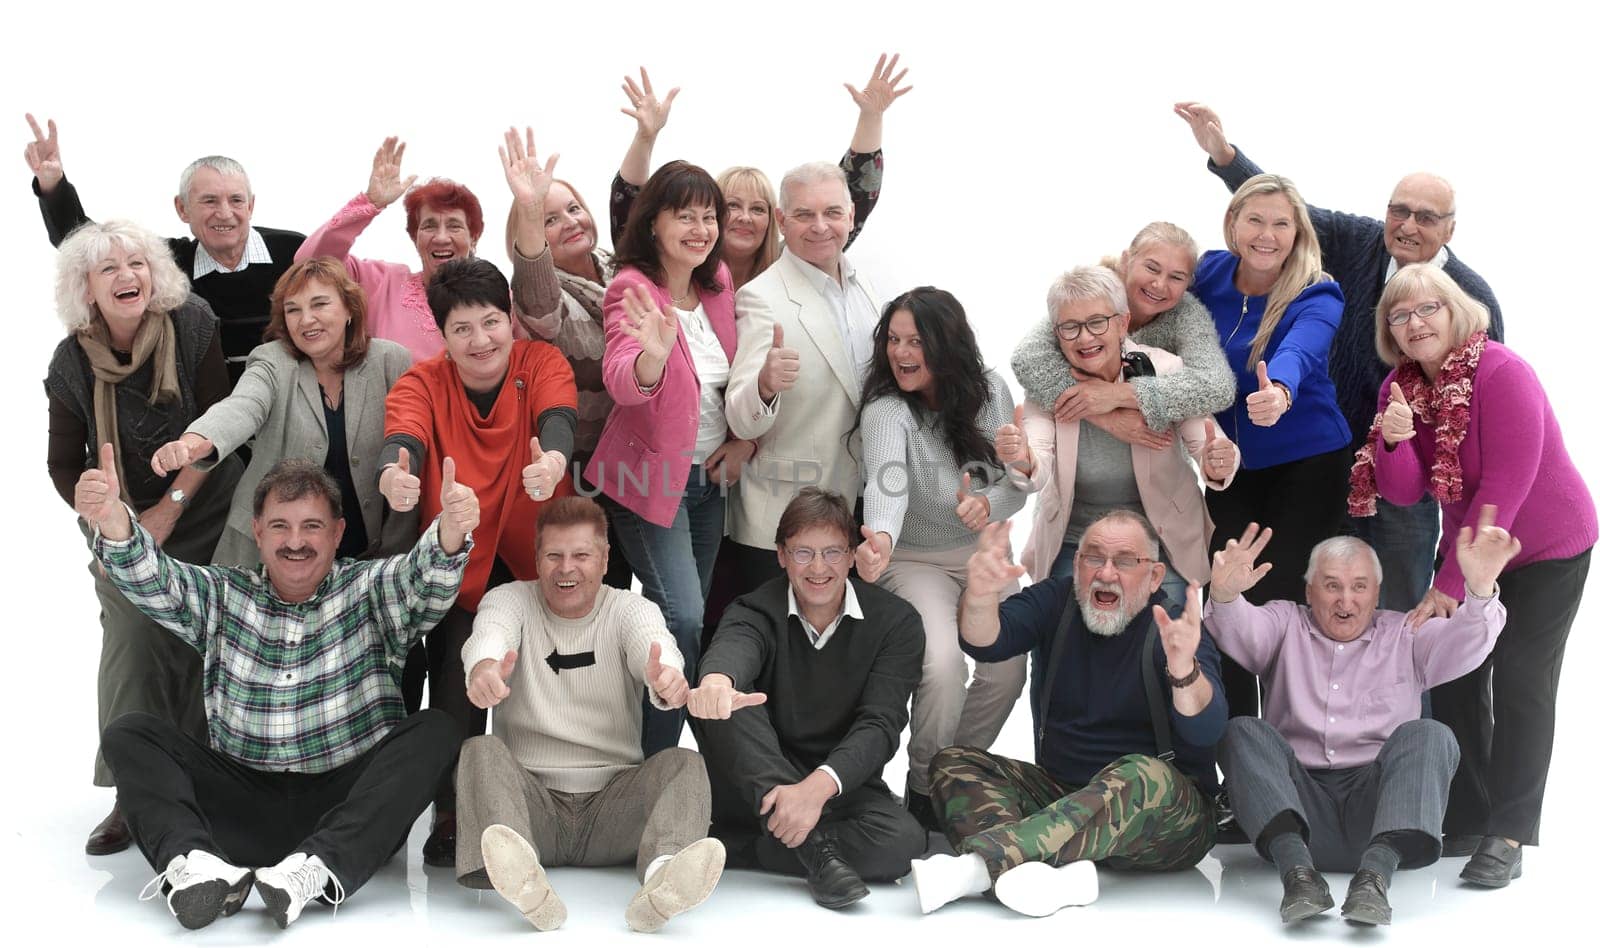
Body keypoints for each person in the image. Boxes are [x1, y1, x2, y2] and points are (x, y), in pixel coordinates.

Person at [78, 458, 474, 930]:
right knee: (129, 733)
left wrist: (450, 529)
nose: (295, 541)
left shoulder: (369, 588)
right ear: (258, 531)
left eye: (312, 526)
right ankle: (198, 867)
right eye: (280, 526)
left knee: (436, 728)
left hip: (346, 805)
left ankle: (317, 868)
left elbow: (424, 579)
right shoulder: (224, 593)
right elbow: (156, 579)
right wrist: (113, 520)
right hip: (242, 805)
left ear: (336, 532)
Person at [1176, 102, 1504, 614]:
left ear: (1451, 229)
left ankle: (1410, 700)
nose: (1408, 225)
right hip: (1329, 462)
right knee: (1325, 609)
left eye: (1426, 216)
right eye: (1400, 210)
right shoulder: (1362, 243)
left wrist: (1464, 526)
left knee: (1403, 616)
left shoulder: (1470, 298)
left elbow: (1480, 410)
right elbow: (1285, 213)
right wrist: (1225, 156)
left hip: (1405, 484)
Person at [1350, 263, 1596, 886]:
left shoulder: (1502, 372)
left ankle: (1510, 832)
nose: (1415, 323)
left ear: (1455, 310)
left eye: (1428, 308)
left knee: (1521, 679)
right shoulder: (1399, 392)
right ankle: (1469, 813)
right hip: (1467, 547)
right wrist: (1395, 442)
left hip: (1546, 546)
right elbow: (1405, 493)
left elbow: (1508, 485)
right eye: (1400, 316)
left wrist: (1454, 584)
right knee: (1456, 675)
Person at [913, 510, 1225, 918]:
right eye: (1093, 558)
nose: (1106, 573)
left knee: (1143, 774)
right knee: (954, 762)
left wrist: (1184, 672)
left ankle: (977, 868)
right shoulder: (1055, 601)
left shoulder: (1174, 629)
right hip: (1061, 796)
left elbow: (1207, 732)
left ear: (1154, 577)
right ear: (1077, 565)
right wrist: (981, 594)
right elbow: (985, 643)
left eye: (1125, 561)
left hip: (1165, 818)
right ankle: (1047, 876)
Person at [45, 220, 244, 856]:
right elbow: (63, 462)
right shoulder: (70, 360)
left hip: (206, 497)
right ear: (87, 289)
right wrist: (101, 508)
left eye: (137, 263)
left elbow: (220, 428)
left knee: (200, 639)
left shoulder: (193, 323)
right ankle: (134, 792)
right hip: (121, 515)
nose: (128, 276)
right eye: (109, 269)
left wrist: (169, 509)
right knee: (132, 640)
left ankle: (202, 781)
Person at [1207, 518, 1516, 924]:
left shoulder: (1405, 633)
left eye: (1359, 587)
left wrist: (1477, 593)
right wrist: (1226, 595)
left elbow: (1467, 644)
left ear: (1376, 594)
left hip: (1382, 815)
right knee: (1241, 730)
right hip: (1296, 812)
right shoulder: (1284, 623)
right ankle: (1298, 877)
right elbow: (1240, 629)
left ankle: (1373, 881)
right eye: (1332, 585)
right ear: (1309, 591)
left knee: (1430, 733)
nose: (1345, 600)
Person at [379, 257, 578, 866]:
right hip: (460, 562)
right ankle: (452, 812)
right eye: (462, 328)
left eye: (491, 322)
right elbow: (403, 437)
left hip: (541, 558)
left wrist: (555, 462)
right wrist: (395, 474)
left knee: (556, 686)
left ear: (510, 318)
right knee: (457, 685)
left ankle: (559, 808)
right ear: (442, 334)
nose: (480, 340)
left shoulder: (540, 361)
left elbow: (558, 417)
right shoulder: (423, 381)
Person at [453, 497, 725, 932]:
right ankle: (522, 876)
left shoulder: (628, 608)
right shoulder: (511, 599)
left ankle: (663, 879)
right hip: (531, 804)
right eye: (554, 555)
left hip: (615, 807)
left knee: (685, 763)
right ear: (537, 559)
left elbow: (654, 644)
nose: (567, 569)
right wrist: (484, 668)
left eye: (581, 555)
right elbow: (489, 635)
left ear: (603, 559)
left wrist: (667, 679)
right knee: (479, 750)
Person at [692, 488, 925, 910]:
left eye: (833, 552)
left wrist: (814, 792)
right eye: (803, 553)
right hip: (756, 783)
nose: (818, 568)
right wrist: (716, 681)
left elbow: (880, 725)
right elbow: (733, 650)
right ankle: (815, 851)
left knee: (904, 843)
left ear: (853, 555)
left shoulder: (897, 623)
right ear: (781, 555)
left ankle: (748, 847)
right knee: (730, 701)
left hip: (837, 788)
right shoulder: (753, 609)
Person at [852, 286, 1028, 828]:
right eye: (894, 341)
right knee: (944, 665)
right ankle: (924, 787)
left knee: (1006, 669)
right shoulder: (887, 411)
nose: (901, 354)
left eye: (915, 342)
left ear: (946, 345)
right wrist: (879, 539)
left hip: (981, 554)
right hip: (912, 559)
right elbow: (888, 487)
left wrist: (986, 503)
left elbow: (1018, 484)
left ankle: (957, 770)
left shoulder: (992, 392)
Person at [586, 159, 745, 756]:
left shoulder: (718, 283)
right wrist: (653, 355)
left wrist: (746, 441)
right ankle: (652, 761)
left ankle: (676, 761)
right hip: (646, 482)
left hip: (708, 482)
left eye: (710, 217)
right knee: (678, 620)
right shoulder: (633, 287)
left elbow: (738, 376)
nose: (700, 229)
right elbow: (624, 380)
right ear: (654, 223)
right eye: (686, 216)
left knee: (690, 621)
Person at [1189, 173, 1351, 719]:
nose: (1267, 234)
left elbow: (1302, 350)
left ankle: (1293, 749)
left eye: (1282, 223)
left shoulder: (1317, 290)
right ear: (1233, 224)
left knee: (1282, 602)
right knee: (1229, 596)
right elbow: (1145, 290)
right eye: (1255, 220)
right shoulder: (1207, 272)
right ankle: (1240, 753)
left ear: (1297, 231)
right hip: (1230, 469)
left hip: (1309, 464)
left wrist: (1279, 390)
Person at [149, 257, 414, 567]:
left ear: (349, 310)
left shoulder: (390, 360)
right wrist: (194, 441)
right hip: (266, 558)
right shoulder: (271, 361)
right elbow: (242, 407)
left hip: (367, 554)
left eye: (319, 304)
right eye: (293, 310)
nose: (306, 320)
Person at [1000, 265, 1239, 600]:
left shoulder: (1165, 368)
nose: (1085, 338)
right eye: (1070, 327)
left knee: (1166, 640)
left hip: (1160, 537)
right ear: (1056, 334)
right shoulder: (1047, 385)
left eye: (1097, 322)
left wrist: (1218, 461)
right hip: (1074, 538)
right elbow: (1035, 468)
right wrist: (1020, 459)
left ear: (1123, 324)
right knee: (1057, 633)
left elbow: (1206, 442)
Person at [26, 115, 306, 385]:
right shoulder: (166, 262)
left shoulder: (295, 252)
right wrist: (53, 182)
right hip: (204, 414)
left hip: (288, 403)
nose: (225, 213)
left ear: (251, 206)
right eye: (209, 201)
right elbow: (87, 243)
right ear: (182, 209)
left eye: (235, 200)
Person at [722, 161, 886, 610]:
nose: (820, 227)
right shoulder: (761, 296)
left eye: (832, 213)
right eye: (803, 215)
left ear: (851, 216)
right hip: (780, 517)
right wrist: (765, 385)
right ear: (781, 221)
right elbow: (739, 414)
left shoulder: (868, 289)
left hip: (857, 508)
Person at [608, 56, 910, 289]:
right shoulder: (681, 265)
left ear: (777, 219)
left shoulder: (792, 262)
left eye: (757, 208)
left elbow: (852, 195)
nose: (745, 217)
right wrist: (645, 138)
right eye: (732, 206)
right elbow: (631, 215)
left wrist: (871, 117)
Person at [500, 124, 643, 591]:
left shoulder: (624, 271)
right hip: (585, 470)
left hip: (645, 463)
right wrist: (528, 206)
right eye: (550, 218)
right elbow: (536, 288)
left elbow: (639, 206)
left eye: (574, 209)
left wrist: (644, 136)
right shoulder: (542, 298)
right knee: (605, 588)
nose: (569, 222)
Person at [1010, 222, 1236, 454]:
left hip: (1154, 457)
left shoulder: (1186, 313)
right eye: (1151, 268)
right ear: (1127, 260)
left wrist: (1118, 395)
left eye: (1176, 277)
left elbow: (1216, 386)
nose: (1159, 285)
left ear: (1188, 284)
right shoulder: (1095, 291)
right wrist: (1107, 417)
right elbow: (1027, 359)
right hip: (1081, 455)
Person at [296, 136, 485, 360]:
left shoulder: (499, 299)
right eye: (429, 226)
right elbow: (311, 263)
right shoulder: (384, 283)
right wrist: (370, 202)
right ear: (415, 237)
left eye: (454, 226)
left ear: (474, 237)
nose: (441, 237)